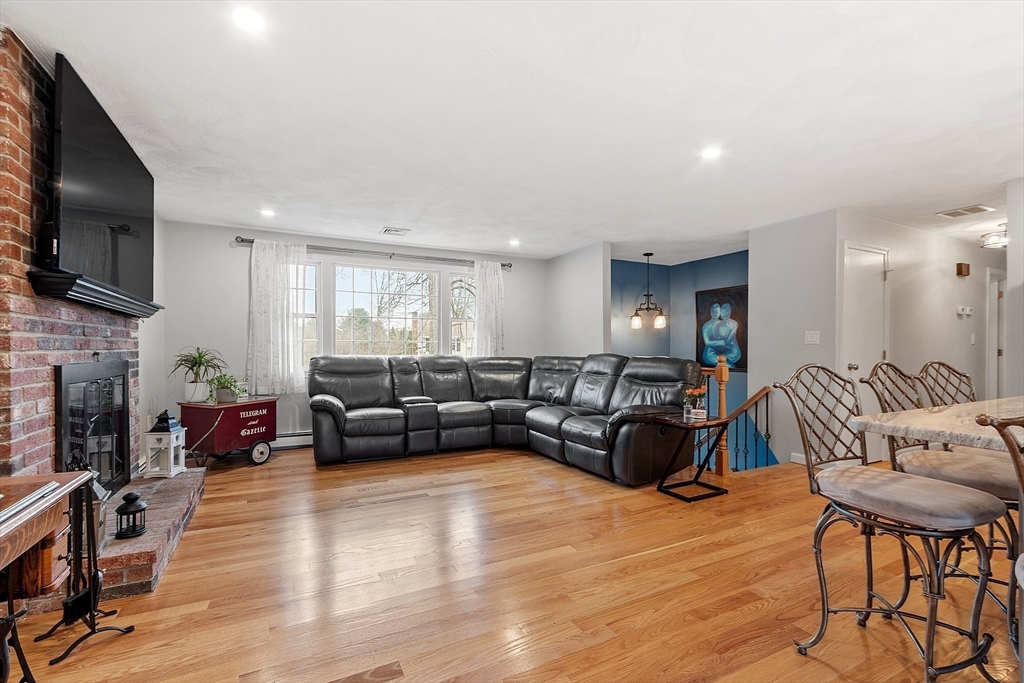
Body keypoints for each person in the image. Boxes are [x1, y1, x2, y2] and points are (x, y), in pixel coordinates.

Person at [701, 301, 742, 367]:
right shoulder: (706, 326)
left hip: (731, 351)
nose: (724, 313)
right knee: (719, 362)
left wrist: (725, 342)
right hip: (712, 352)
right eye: (714, 311)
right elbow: (708, 343)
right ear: (710, 312)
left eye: (717, 311)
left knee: (726, 362)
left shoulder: (733, 324)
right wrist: (724, 342)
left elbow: (728, 341)